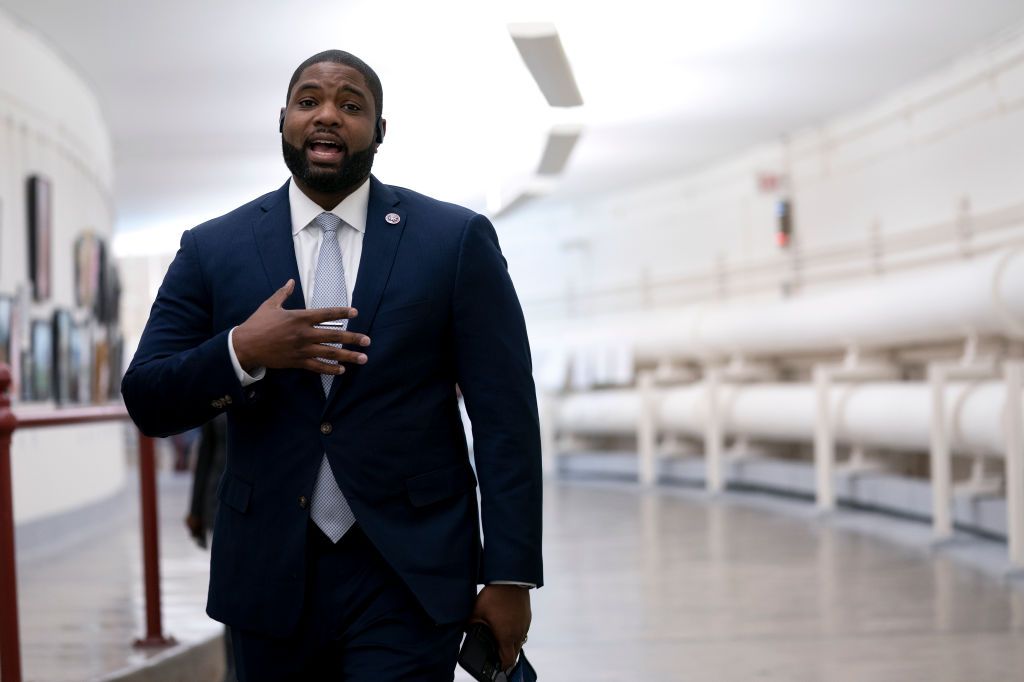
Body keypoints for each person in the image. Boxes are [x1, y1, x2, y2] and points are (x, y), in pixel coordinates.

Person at [122, 49, 543, 681]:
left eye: (351, 106)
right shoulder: (213, 247)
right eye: (309, 100)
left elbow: (506, 416)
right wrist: (241, 351)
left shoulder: (453, 241)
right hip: (268, 572)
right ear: (283, 119)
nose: (328, 116)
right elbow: (148, 395)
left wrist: (510, 574)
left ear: (379, 130)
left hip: (409, 570)